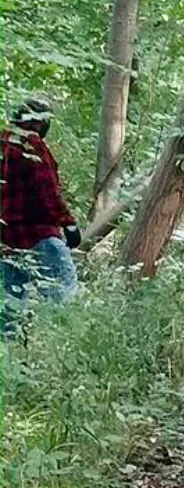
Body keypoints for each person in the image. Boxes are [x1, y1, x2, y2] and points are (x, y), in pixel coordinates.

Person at [1, 95, 80, 338]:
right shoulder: (32, 146)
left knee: (10, 303)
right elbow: (47, 190)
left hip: (6, 239)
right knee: (65, 290)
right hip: (39, 234)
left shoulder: (3, 142)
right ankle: (69, 345)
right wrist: (68, 223)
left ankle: (9, 359)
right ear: (41, 122)